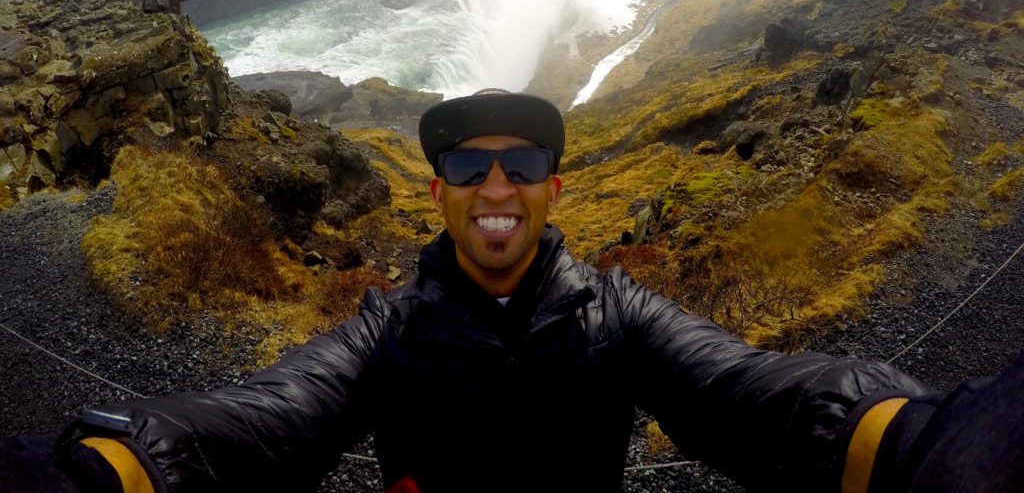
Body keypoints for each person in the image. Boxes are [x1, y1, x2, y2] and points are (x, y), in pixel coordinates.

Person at [1, 90, 1021, 493]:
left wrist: (916, 442)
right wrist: (121, 467)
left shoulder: (620, 314)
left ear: (552, 190)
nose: (498, 187)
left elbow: (751, 393)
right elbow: (270, 417)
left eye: (523, 164)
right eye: (471, 169)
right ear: (437, 195)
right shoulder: (386, 329)